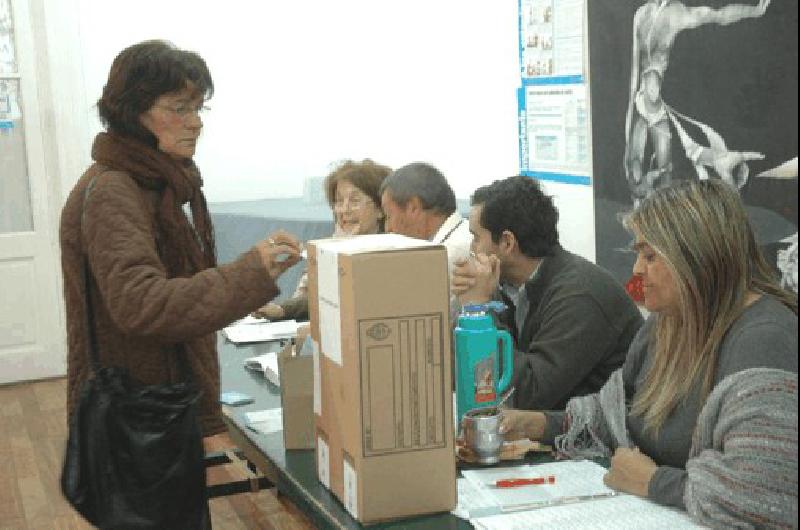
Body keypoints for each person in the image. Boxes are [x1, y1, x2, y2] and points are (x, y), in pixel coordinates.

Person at [59, 40, 301, 521]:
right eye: (179, 108)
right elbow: (141, 303)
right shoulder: (114, 190)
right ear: (134, 114)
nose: (196, 121)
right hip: (138, 419)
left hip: (154, 409)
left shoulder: (154, 181)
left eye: (198, 107)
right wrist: (251, 272)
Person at [499, 179, 798, 527]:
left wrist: (652, 482)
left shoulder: (764, 339)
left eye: (650, 256)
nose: (637, 270)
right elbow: (617, 415)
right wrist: (538, 424)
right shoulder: (666, 324)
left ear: (696, 256)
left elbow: (764, 496)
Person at [451, 176, 643, 410]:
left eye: (476, 237)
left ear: (507, 242)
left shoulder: (579, 295)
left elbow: (524, 394)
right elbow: (456, 372)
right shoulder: (506, 285)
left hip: (594, 439)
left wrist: (479, 312)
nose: (472, 249)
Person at [624, 0, 771, 203]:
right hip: (642, 105)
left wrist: (754, 11)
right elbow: (634, 74)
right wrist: (628, 129)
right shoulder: (641, 14)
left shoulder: (677, 13)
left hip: (658, 111)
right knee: (635, 172)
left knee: (664, 176)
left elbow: (718, 15)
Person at [253, 159, 390, 321]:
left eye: (354, 201)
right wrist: (280, 310)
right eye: (339, 201)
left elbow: (345, 300)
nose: (344, 210)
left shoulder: (389, 253)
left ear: (381, 209)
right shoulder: (331, 245)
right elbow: (312, 297)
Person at [380, 162, 472, 315]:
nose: (388, 228)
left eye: (389, 216)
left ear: (414, 207)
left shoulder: (449, 255)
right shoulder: (461, 233)